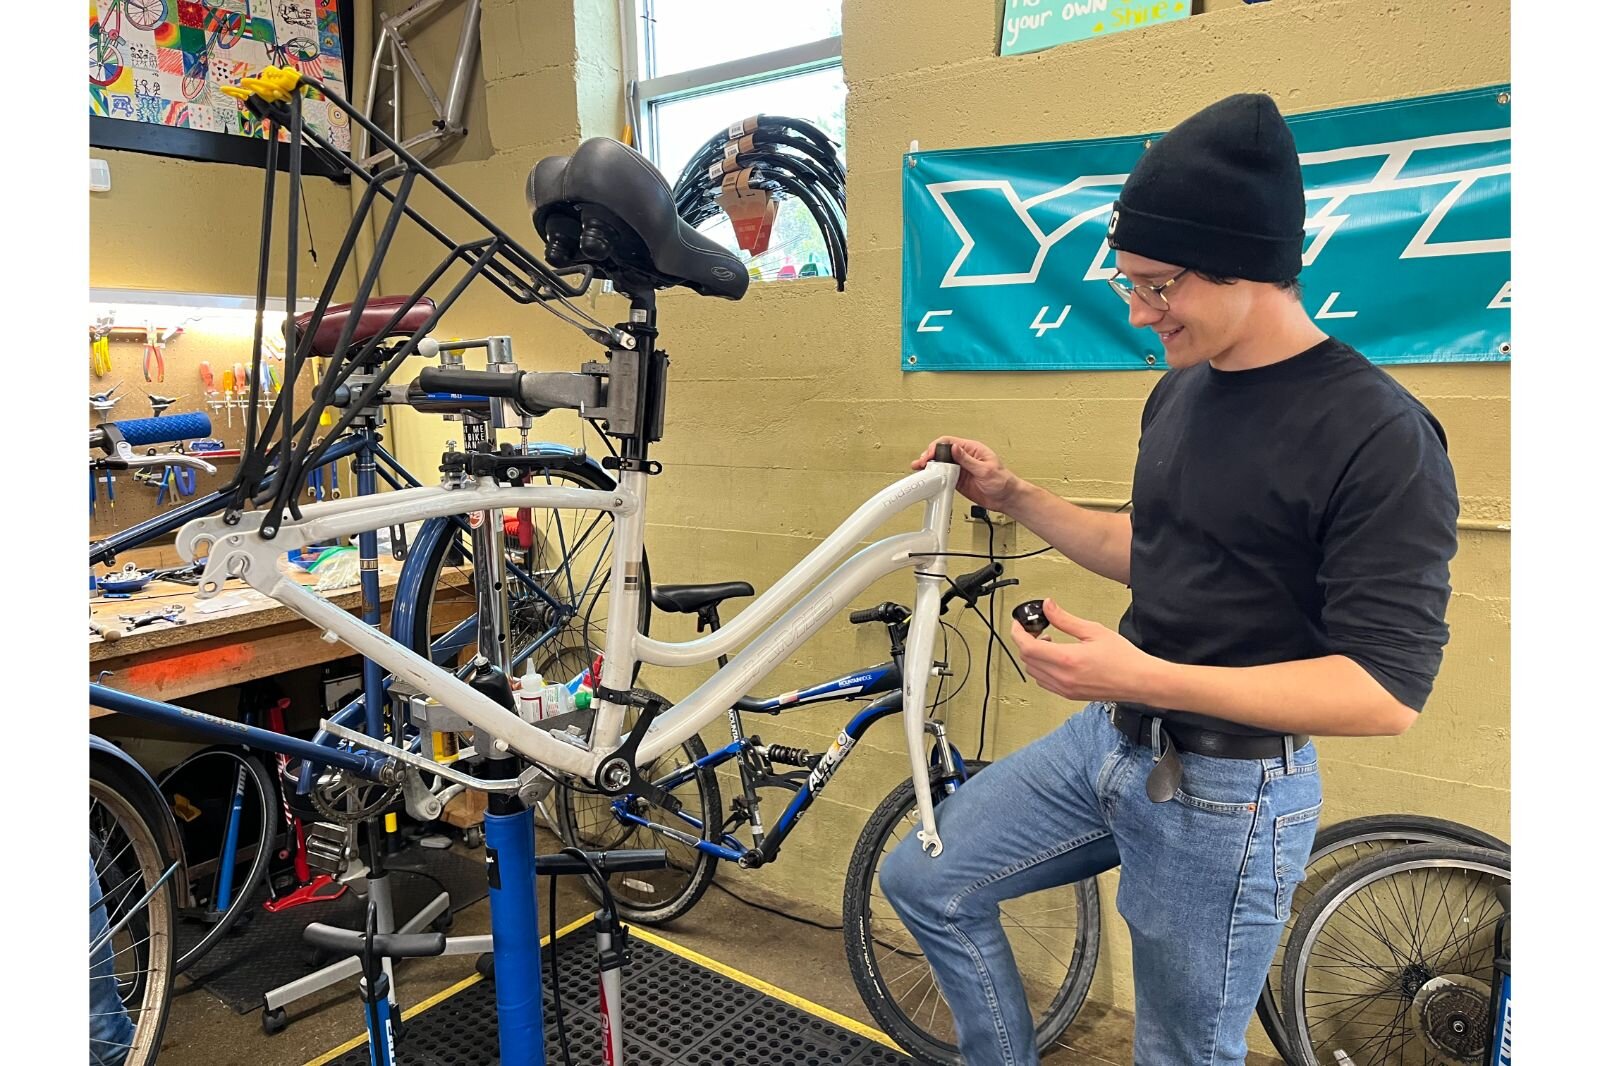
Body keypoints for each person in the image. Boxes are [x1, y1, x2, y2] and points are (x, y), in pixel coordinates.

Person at [879, 93, 1459, 1065]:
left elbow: (1383, 692)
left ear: (1248, 266)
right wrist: (1014, 493)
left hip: (1231, 795)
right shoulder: (1182, 389)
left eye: (1157, 286)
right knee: (925, 880)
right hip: (1109, 745)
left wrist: (1139, 676)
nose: (1137, 310)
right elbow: (1162, 547)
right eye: (1131, 283)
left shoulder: (1379, 435)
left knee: (1178, 1052)